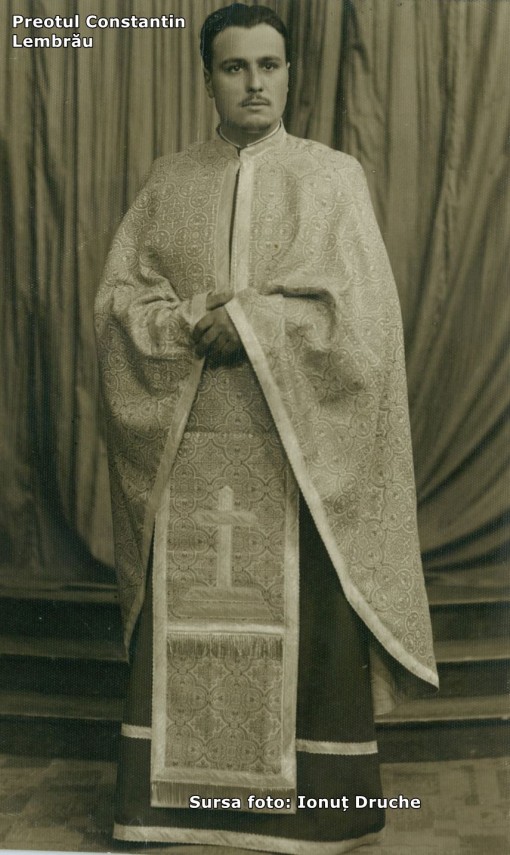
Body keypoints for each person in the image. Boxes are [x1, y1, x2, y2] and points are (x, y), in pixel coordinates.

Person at [95, 4, 438, 852]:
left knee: (304, 628)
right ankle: (176, 812)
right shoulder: (170, 182)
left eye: (269, 66)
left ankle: (314, 812)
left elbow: (363, 326)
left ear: (289, 73)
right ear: (207, 77)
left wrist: (251, 322)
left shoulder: (331, 179)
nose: (254, 83)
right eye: (234, 66)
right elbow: (119, 306)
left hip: (299, 458)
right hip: (191, 449)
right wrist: (188, 325)